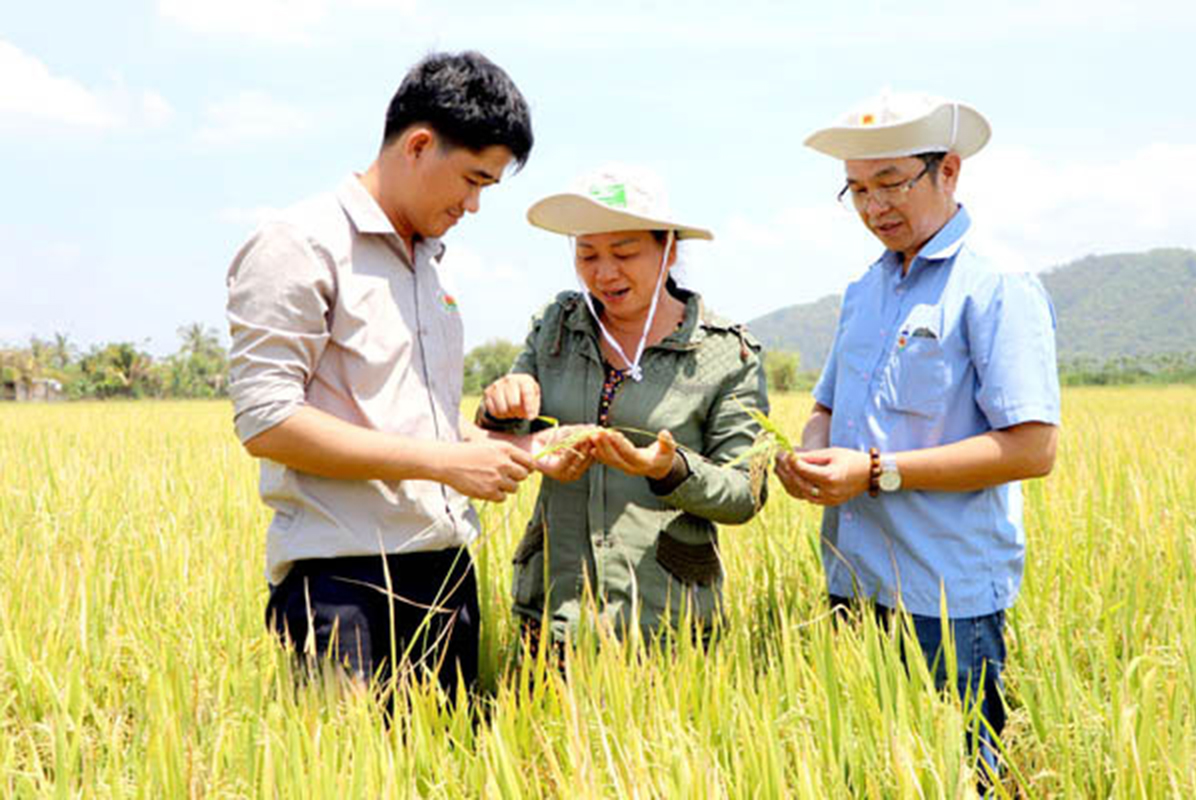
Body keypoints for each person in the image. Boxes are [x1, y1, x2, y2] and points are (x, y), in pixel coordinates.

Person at [225, 51, 542, 698]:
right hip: (343, 585)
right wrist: (444, 464)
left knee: (450, 776)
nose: (475, 205)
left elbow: (414, 418)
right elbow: (268, 421)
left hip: (447, 576)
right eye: (473, 180)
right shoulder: (301, 244)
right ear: (420, 145)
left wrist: (508, 452)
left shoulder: (429, 262)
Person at [775, 92, 1060, 777]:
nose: (875, 207)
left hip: (947, 596)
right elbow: (827, 405)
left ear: (949, 172)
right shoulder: (865, 289)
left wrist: (875, 471)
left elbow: (1033, 448)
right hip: (854, 578)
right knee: (871, 767)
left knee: (964, 774)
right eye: (858, 190)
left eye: (892, 183)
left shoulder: (997, 283)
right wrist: (808, 455)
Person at [478, 165, 770, 647]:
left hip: (666, 621)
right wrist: (499, 406)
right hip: (553, 611)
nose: (603, 272)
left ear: (669, 249)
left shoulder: (726, 354)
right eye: (587, 253)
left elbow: (746, 492)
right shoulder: (555, 329)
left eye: (625, 252)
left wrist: (668, 469)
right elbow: (504, 439)